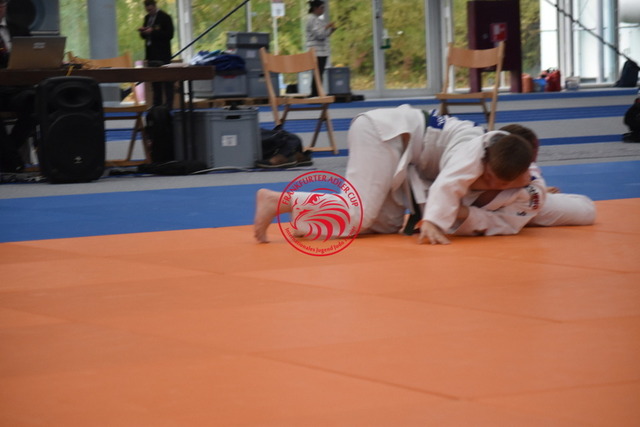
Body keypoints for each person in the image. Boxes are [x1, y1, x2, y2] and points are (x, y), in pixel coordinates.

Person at [255, 105, 546, 245]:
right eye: (490, 177)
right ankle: (278, 200)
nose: (491, 185)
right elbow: (449, 183)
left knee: (384, 224)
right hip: (383, 133)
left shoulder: (518, 167)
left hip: (400, 149)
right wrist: (433, 221)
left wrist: (533, 184)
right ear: (486, 159)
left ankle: (308, 219)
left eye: (500, 184)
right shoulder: (475, 149)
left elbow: (529, 182)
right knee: (360, 214)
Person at [499, 124, 596, 227]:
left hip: (521, 204)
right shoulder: (527, 169)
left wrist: (541, 190)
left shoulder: (491, 158)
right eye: (536, 150)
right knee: (586, 208)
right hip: (523, 207)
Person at [0, 0, 35, 173]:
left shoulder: (20, 29)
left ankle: (8, 156)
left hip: (18, 89)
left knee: (39, 101)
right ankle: (13, 161)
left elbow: (32, 57)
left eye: (1, 4)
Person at [138, 0, 174, 107]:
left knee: (167, 81)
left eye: (151, 9)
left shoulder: (165, 17)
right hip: (151, 54)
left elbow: (169, 35)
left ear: (155, 6)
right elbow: (145, 36)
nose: (149, 12)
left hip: (163, 54)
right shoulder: (147, 18)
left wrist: (153, 32)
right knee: (155, 82)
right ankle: (157, 105)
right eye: (147, 10)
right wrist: (143, 32)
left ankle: (168, 105)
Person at [305, 0, 336, 97]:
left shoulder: (318, 20)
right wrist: (327, 26)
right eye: (321, 8)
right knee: (317, 73)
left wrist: (331, 30)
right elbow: (318, 34)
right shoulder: (311, 19)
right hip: (316, 51)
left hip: (322, 51)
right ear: (315, 8)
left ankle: (317, 92)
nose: (323, 10)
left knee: (319, 73)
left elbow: (323, 35)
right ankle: (315, 93)